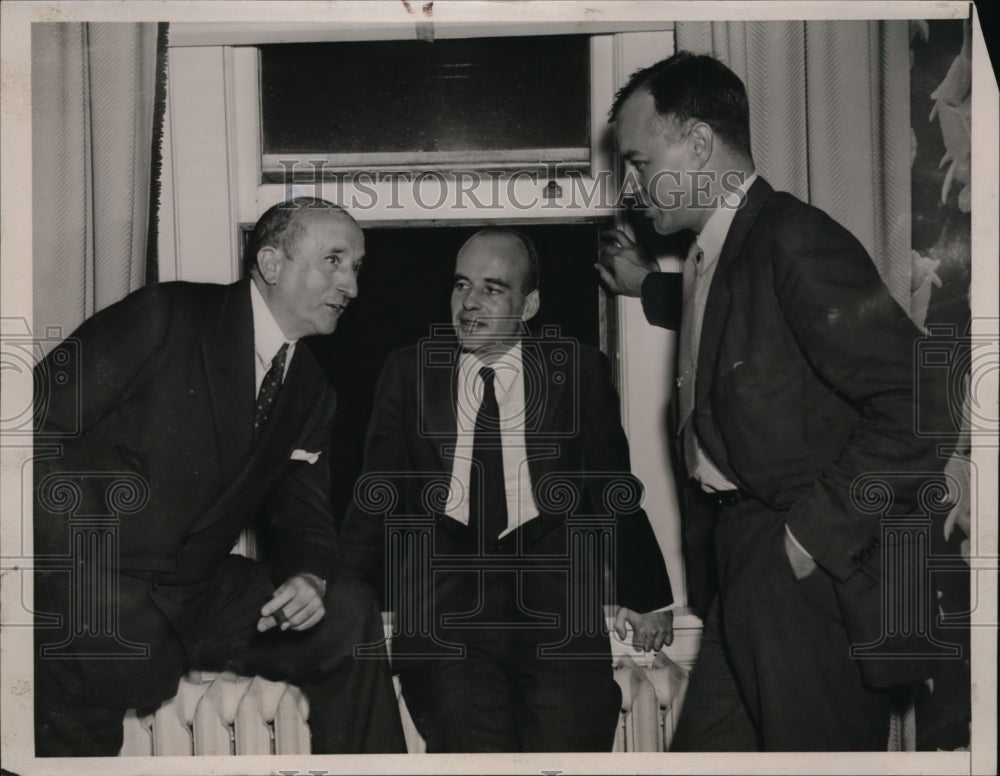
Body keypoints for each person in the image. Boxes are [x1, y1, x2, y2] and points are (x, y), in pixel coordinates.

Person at [597, 53, 954, 750]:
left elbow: (925, 396)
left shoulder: (791, 237)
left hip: (801, 567)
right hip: (746, 567)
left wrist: (812, 535)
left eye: (640, 162)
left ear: (699, 143)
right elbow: (742, 337)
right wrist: (645, 285)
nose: (632, 186)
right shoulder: (721, 252)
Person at [33, 197, 406, 756]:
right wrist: (73, 571)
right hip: (95, 589)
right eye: (334, 260)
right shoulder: (168, 314)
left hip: (200, 592)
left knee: (347, 615)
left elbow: (303, 514)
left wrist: (310, 576)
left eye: (356, 266)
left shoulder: (310, 391)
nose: (350, 285)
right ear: (272, 264)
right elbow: (28, 429)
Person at [338, 228, 674, 752]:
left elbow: (612, 485)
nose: (469, 303)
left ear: (529, 303)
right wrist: (337, 601)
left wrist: (647, 595)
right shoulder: (409, 373)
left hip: (556, 613)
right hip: (445, 618)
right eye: (460, 286)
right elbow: (374, 497)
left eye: (492, 289)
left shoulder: (577, 371)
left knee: (573, 746)